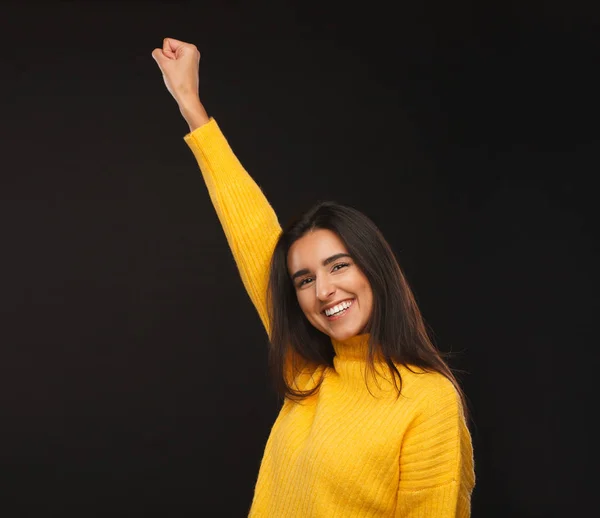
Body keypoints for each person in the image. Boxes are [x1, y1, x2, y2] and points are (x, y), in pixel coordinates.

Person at [152, 37, 475, 517]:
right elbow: (252, 232)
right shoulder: (309, 374)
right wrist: (191, 105)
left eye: (338, 265)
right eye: (304, 280)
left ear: (376, 270)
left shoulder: (429, 400)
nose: (323, 291)